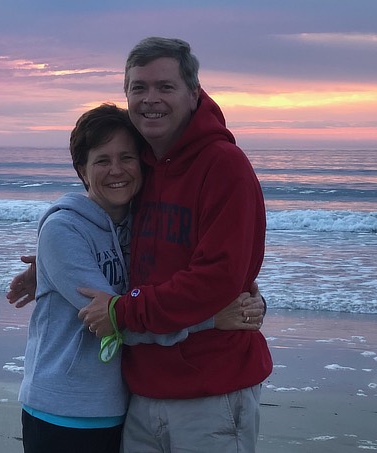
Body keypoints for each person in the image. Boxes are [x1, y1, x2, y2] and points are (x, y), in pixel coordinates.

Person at [18, 103, 264, 453]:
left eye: (127, 158)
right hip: (63, 408)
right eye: (102, 160)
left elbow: (184, 281)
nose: (116, 170)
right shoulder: (63, 229)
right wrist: (212, 320)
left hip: (119, 406)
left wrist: (246, 298)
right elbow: (112, 320)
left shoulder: (139, 224)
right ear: (82, 171)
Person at [75, 37, 271, 452]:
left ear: (193, 92)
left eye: (165, 87)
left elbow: (216, 279)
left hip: (212, 392)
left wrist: (121, 311)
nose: (151, 99)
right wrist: (55, 258)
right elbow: (114, 231)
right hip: (141, 390)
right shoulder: (140, 165)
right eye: (139, 87)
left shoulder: (224, 166)